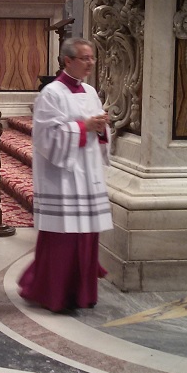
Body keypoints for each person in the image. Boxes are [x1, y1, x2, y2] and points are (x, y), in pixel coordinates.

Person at [18, 37, 113, 312]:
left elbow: (100, 129)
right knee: (64, 238)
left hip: (88, 173)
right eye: (85, 58)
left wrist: (101, 127)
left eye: (92, 58)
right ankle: (55, 294)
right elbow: (46, 136)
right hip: (64, 178)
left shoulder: (91, 91)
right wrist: (84, 127)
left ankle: (83, 293)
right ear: (67, 61)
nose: (90, 63)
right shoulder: (51, 93)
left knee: (86, 236)